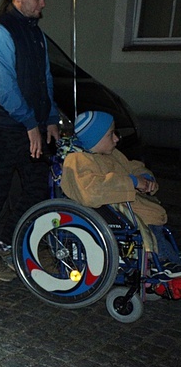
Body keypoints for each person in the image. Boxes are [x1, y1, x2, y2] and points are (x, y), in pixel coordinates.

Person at [0, 0, 60, 281]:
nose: (43, 3)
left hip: (33, 126)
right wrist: (30, 123)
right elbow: (4, 87)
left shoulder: (35, 33)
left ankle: (8, 241)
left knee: (38, 189)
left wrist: (50, 118)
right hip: (3, 127)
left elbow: (45, 78)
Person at [61, 111, 179, 267]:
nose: (116, 138)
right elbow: (91, 191)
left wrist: (145, 177)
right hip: (123, 218)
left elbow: (131, 166)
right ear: (95, 137)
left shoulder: (110, 153)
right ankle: (165, 266)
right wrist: (132, 182)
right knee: (168, 254)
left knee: (170, 235)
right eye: (111, 135)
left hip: (139, 212)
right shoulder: (78, 161)